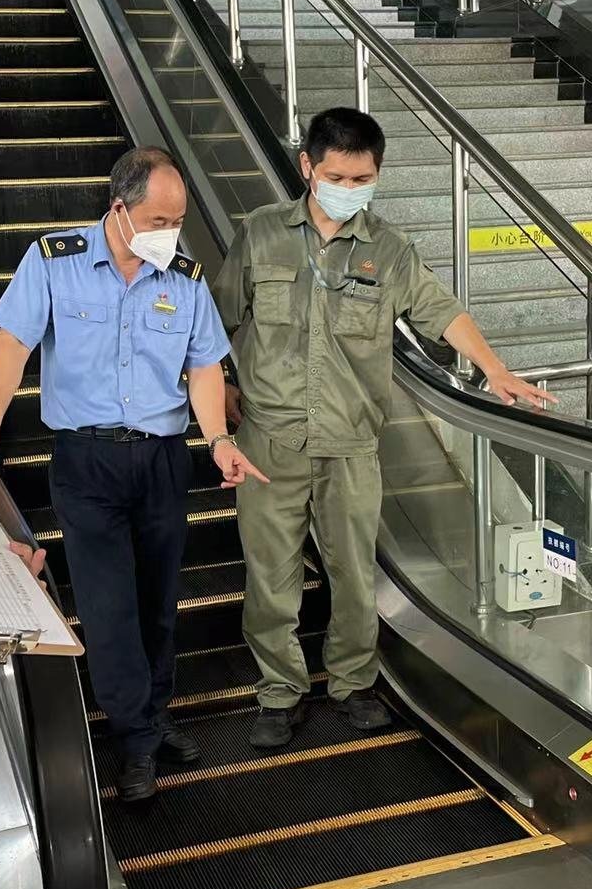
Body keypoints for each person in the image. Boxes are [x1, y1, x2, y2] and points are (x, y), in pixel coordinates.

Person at [212, 107, 555, 749]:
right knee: (270, 574)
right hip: (269, 440)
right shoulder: (259, 234)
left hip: (351, 441)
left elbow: (439, 310)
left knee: (352, 570)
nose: (349, 187)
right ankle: (280, 692)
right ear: (307, 167)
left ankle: (352, 682)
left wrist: (495, 369)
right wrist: (219, 393)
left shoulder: (389, 250)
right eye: (336, 175)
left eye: (362, 177)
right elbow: (217, 320)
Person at [0, 147, 264, 801]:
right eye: (158, 218)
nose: (169, 232)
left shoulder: (184, 275)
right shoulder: (55, 260)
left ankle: (152, 716)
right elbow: (12, 343)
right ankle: (135, 741)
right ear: (119, 209)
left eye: (177, 221)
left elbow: (204, 367)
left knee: (156, 605)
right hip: (87, 464)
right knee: (110, 608)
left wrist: (219, 438)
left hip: (163, 462)